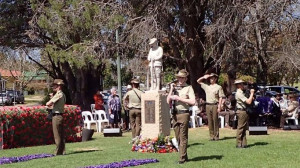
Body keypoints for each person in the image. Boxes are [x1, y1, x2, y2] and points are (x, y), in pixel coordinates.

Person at [167, 69, 195, 164]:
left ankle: (181, 159)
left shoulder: (189, 88)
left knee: (183, 136)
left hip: (183, 113)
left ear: (185, 78)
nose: (180, 79)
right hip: (175, 114)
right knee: (178, 136)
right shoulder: (175, 88)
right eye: (179, 77)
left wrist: (179, 98)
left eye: (182, 78)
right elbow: (168, 101)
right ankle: (184, 156)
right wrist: (171, 89)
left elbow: (192, 101)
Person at [197, 73, 225, 141]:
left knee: (215, 120)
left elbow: (221, 97)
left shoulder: (218, 87)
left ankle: (216, 136)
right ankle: (211, 136)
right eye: (210, 78)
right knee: (209, 121)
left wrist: (219, 106)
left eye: (212, 78)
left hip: (215, 104)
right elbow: (198, 81)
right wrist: (204, 77)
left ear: (215, 79)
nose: (211, 79)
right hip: (208, 105)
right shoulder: (207, 86)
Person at [46, 79, 66, 155]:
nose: (53, 87)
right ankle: (62, 151)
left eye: (54, 85)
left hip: (56, 116)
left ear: (59, 86)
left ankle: (58, 152)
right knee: (61, 134)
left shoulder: (58, 94)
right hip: (60, 116)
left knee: (57, 135)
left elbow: (49, 104)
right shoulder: (63, 94)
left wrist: (50, 99)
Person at [234, 79, 255, 148]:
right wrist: (252, 93)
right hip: (241, 111)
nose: (243, 85)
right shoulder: (239, 93)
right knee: (240, 128)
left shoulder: (242, 92)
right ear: (238, 85)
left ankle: (244, 143)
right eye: (242, 84)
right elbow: (248, 102)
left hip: (244, 111)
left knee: (244, 128)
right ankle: (239, 143)